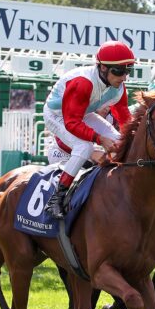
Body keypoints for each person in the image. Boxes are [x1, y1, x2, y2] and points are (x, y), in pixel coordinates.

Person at [42, 41, 134, 219]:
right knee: (84, 147)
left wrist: (130, 138)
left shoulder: (119, 87)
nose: (124, 77)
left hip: (82, 112)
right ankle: (56, 199)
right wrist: (99, 139)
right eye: (119, 71)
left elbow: (124, 117)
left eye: (127, 71)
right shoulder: (83, 83)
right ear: (102, 68)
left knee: (118, 138)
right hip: (58, 115)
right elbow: (71, 123)